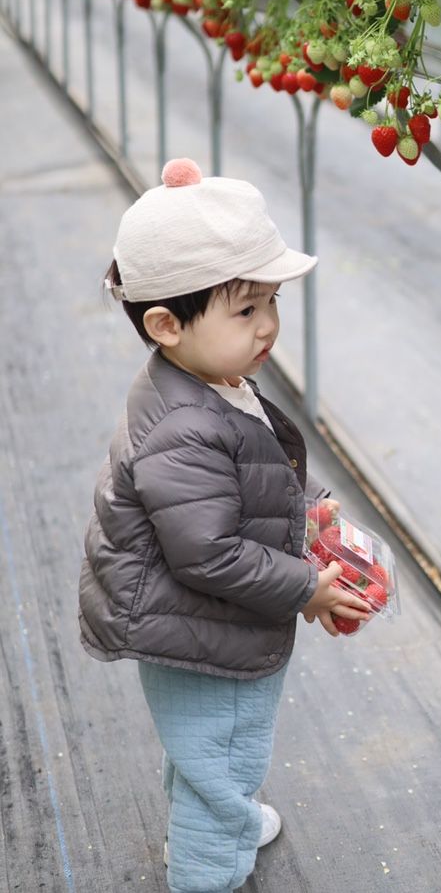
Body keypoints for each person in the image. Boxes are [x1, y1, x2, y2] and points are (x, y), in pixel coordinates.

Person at [78, 157, 370, 893]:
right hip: (206, 620)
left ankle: (214, 817)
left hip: (193, 623)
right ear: (166, 324)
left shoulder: (204, 380)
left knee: (201, 747)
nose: (269, 324)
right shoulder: (184, 424)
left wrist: (304, 518)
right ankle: (210, 864)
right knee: (226, 746)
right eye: (246, 310)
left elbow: (238, 488)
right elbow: (206, 552)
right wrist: (306, 586)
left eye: (271, 301)